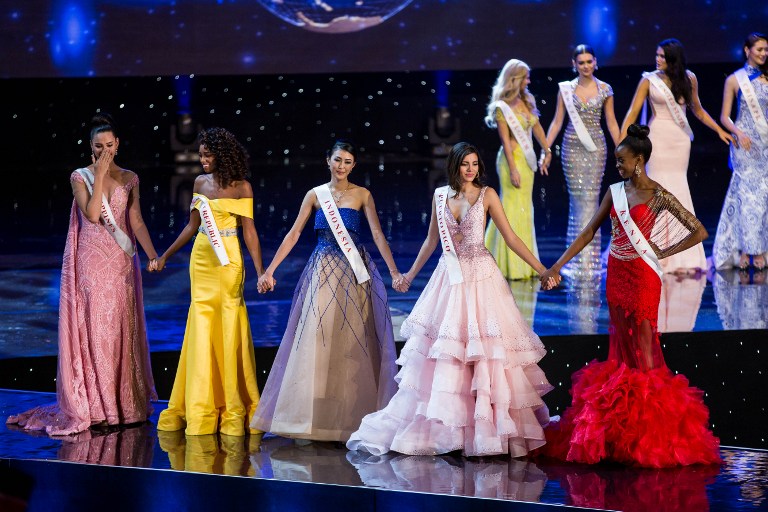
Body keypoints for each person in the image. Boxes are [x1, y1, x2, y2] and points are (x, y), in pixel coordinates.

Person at [347, 142, 558, 457]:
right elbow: (432, 240)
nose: (471, 169)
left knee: (483, 354)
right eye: (465, 164)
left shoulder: (487, 196)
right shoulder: (440, 196)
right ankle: (450, 430)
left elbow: (511, 237)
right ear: (455, 166)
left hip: (481, 279)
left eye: (475, 164)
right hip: (449, 277)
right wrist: (408, 274)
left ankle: (488, 429)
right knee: (449, 355)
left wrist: (543, 269)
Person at [538, 124, 721, 467]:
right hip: (617, 275)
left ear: (639, 160)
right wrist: (556, 265)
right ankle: (627, 434)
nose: (617, 166)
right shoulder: (615, 192)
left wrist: (661, 248)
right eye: (617, 160)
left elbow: (698, 230)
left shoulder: (658, 194)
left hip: (644, 278)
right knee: (622, 348)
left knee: (646, 348)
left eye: (622, 160)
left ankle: (653, 433)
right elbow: (589, 231)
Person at [7, 113, 158, 435]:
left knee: (120, 327)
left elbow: (137, 220)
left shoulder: (131, 177)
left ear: (117, 144)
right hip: (91, 261)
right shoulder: (81, 176)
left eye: (109, 145)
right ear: (91, 147)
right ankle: (94, 405)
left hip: (120, 261)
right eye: (98, 146)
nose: (104, 150)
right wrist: (100, 175)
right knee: (96, 328)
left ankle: (123, 405)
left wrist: (152, 254)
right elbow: (91, 215)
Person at [250, 140, 401, 443]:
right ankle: (311, 418)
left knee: (352, 342)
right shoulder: (315, 195)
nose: (341, 166)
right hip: (322, 272)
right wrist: (269, 270)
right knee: (317, 340)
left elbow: (376, 234)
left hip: (354, 273)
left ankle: (350, 418)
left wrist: (394, 270)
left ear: (353, 165)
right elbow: (294, 233)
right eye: (337, 160)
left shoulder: (362, 195)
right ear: (328, 161)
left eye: (347, 161)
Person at [153, 127, 264, 436]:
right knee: (201, 325)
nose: (201, 160)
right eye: (200, 154)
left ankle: (231, 404)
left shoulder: (243, 187)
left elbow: (250, 233)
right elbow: (192, 226)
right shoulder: (200, 183)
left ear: (222, 156)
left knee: (228, 325)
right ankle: (200, 404)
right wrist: (165, 255)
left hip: (229, 259)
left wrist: (261, 271)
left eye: (207, 155)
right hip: (202, 259)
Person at [620, 38, 734, 273]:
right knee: (657, 190)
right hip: (658, 139)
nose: (657, 59)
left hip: (680, 141)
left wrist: (719, 130)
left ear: (673, 60)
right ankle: (655, 251)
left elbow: (698, 110)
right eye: (657, 55)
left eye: (662, 56)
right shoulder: (648, 80)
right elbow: (632, 112)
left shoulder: (689, 78)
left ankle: (683, 255)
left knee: (678, 189)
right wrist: (622, 144)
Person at [545, 44, 620, 279]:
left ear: (595, 62)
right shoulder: (566, 90)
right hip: (572, 148)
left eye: (589, 61)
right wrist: (546, 150)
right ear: (574, 64)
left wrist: (622, 149)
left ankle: (591, 261)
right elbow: (557, 122)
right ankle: (578, 260)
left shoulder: (606, 89)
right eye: (581, 62)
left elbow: (611, 122)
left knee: (591, 201)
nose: (586, 66)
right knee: (578, 203)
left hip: (595, 148)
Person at [484, 59, 552, 280]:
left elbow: (538, 127)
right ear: (516, 79)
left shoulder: (528, 99)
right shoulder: (502, 106)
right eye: (526, 77)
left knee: (524, 209)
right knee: (510, 209)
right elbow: (505, 140)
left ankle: (524, 264)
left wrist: (547, 150)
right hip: (510, 161)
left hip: (527, 161)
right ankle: (504, 264)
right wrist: (513, 169)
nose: (529, 81)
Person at [712, 32, 768, 271]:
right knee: (746, 197)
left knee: (763, 198)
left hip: (765, 144)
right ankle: (745, 250)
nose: (764, 54)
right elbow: (724, 116)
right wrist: (738, 132)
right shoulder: (735, 80)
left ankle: (761, 249)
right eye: (759, 50)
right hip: (744, 145)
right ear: (747, 50)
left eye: (766, 50)